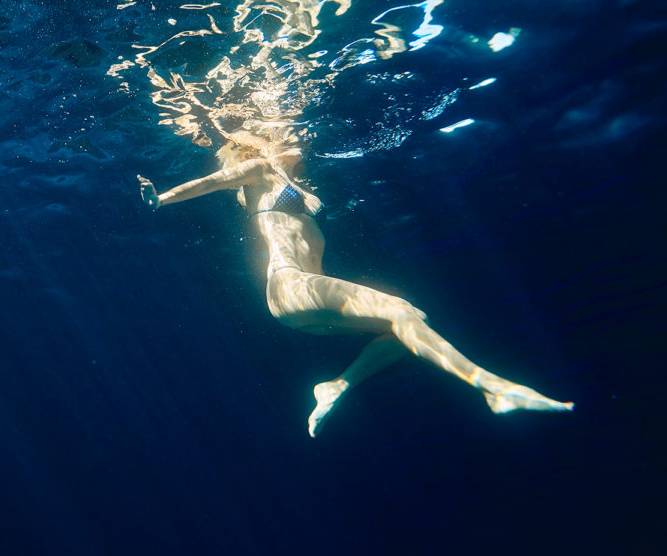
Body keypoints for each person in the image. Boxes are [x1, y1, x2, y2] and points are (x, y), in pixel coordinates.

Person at [138, 123, 573, 436]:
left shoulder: (290, 180)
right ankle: (491, 386)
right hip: (290, 285)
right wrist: (160, 198)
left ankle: (336, 385)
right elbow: (206, 183)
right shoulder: (259, 172)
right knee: (402, 311)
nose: (297, 137)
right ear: (258, 144)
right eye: (285, 133)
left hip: (301, 295)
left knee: (405, 324)